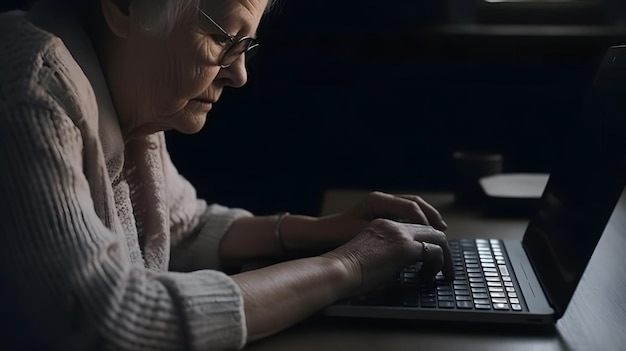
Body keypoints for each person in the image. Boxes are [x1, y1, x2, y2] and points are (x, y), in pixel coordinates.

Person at [0, 0, 454, 349]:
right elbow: (110, 318)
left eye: (245, 46)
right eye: (224, 39)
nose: (238, 74)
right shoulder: (31, 88)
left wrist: (322, 231)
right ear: (125, 5)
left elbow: (181, 228)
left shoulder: (134, 99)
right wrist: (347, 265)